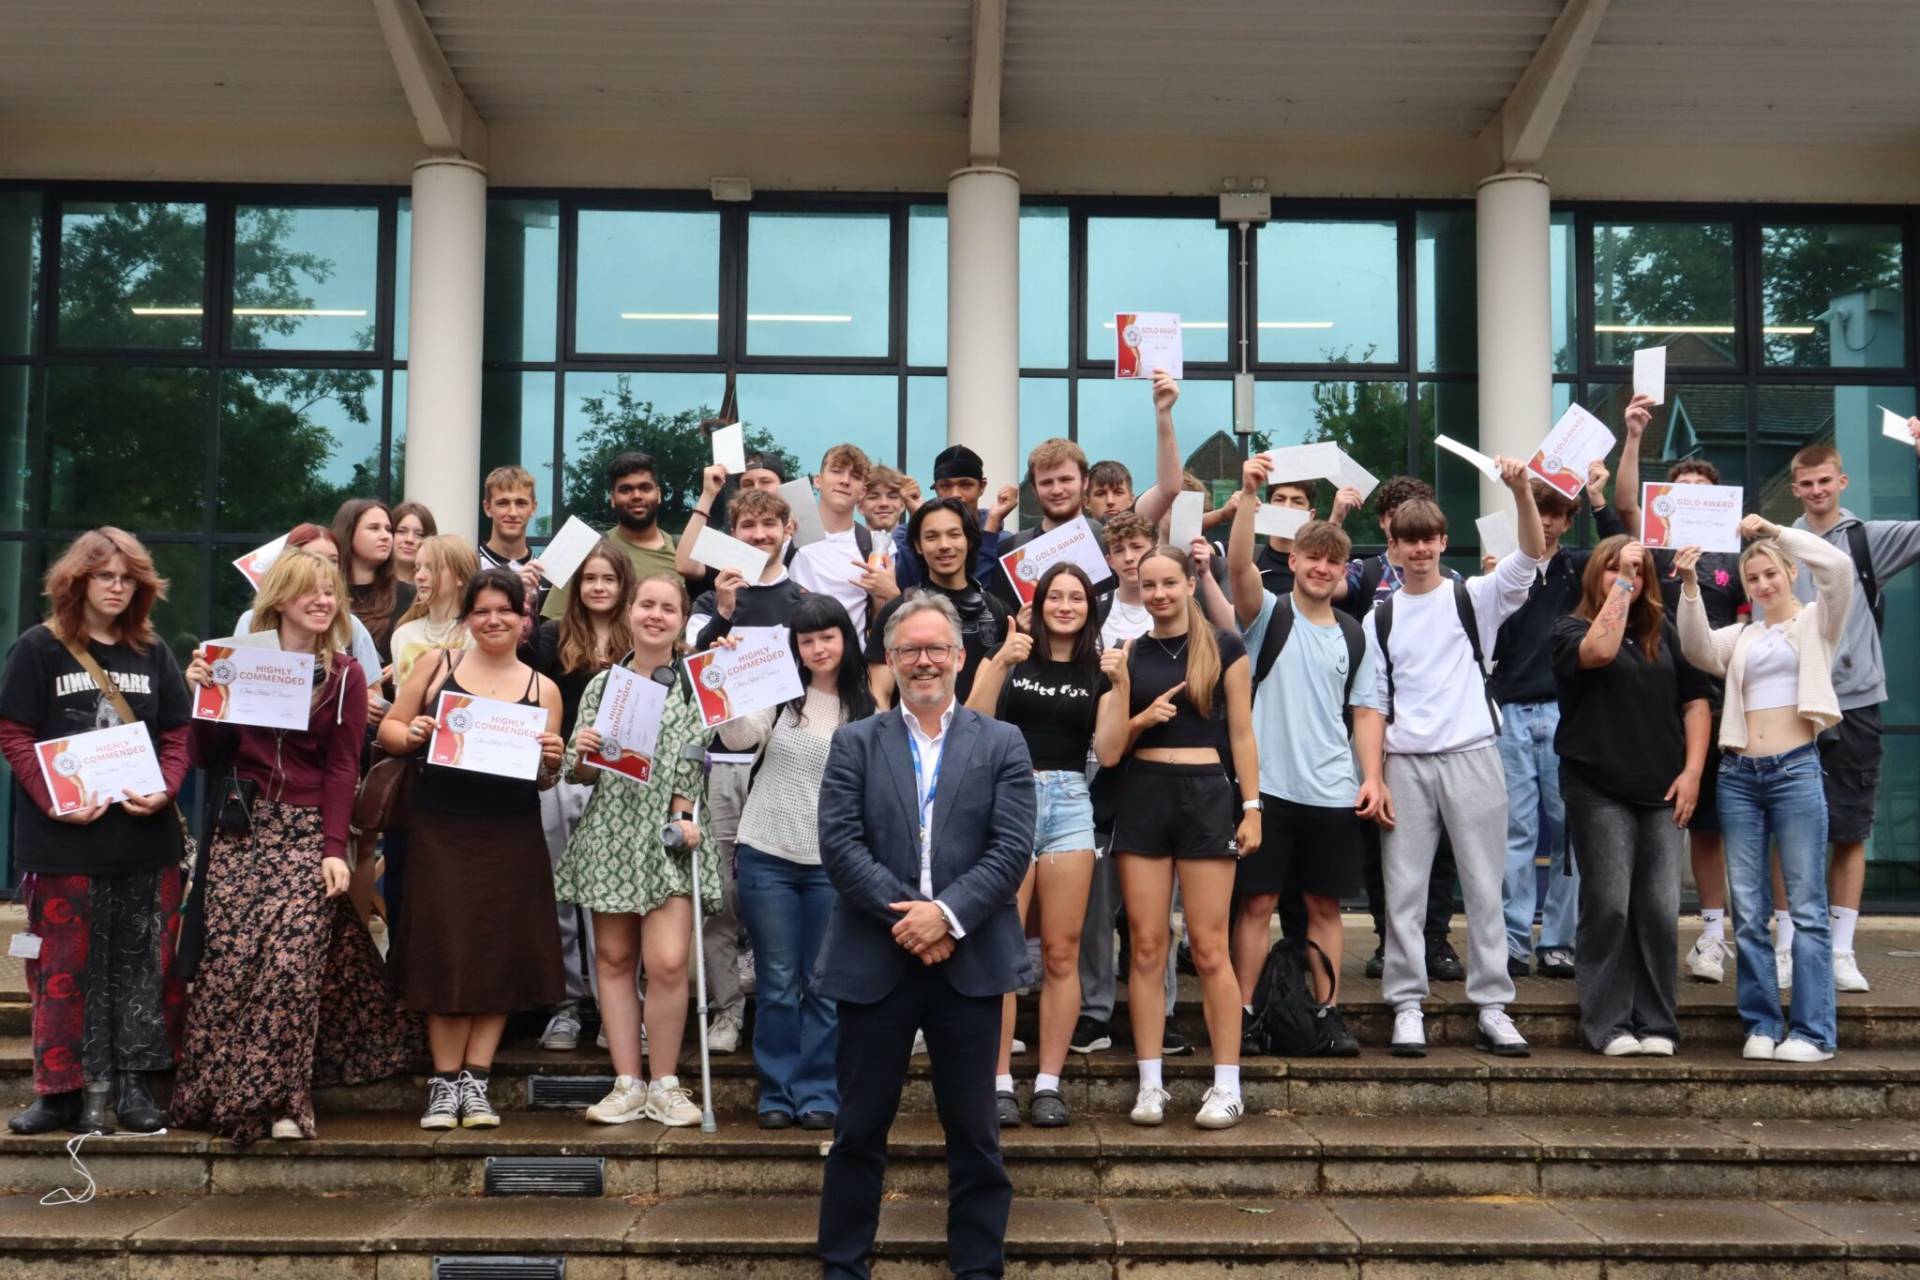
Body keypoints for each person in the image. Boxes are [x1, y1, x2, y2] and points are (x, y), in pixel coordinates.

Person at [814, 591, 1036, 1280]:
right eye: (909, 649)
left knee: (975, 1133)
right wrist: (911, 918)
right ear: (889, 658)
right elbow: (839, 844)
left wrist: (947, 915)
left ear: (961, 656)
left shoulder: (1002, 742)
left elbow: (1012, 847)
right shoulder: (856, 742)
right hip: (875, 960)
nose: (924, 661)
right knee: (858, 1131)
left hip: (969, 962)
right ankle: (843, 1266)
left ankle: (978, 1268)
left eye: (937, 647)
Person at [174, 549, 417, 1143]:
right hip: (242, 831)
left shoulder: (345, 674)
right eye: (311, 590)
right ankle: (217, 1094)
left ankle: (283, 1102)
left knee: (291, 970)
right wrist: (201, 698)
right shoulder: (235, 661)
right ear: (280, 598)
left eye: (331, 592)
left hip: (307, 832)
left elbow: (342, 767)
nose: (323, 601)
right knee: (231, 969)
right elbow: (205, 755)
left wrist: (334, 847)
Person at [0, 529, 191, 1135]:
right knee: (60, 969)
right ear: (76, 580)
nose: (117, 587)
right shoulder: (39, 647)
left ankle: (135, 1088)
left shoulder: (152, 651)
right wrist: (54, 800)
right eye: (105, 576)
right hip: (62, 843)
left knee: (144, 968)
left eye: (128, 578)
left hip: (144, 841)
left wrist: (167, 787)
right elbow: (14, 733)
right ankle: (58, 1092)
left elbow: (178, 733)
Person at [1358, 458, 1545, 1059]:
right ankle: (1406, 1004)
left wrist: (1521, 491)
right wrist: (1373, 776)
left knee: (1485, 887)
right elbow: (1374, 703)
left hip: (1473, 755)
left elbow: (1531, 554)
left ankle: (1492, 1004)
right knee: (1404, 891)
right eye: (1407, 540)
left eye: (1428, 539)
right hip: (1406, 764)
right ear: (1392, 546)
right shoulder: (1379, 616)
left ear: (1443, 540)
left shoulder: (1475, 596)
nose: (1419, 550)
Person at [379, 568, 566, 1129]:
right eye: (481, 610)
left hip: (510, 834)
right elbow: (389, 729)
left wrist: (552, 760)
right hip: (441, 830)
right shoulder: (437, 666)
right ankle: (443, 1082)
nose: (493, 620)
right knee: (445, 948)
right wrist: (412, 733)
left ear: (524, 619)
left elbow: (544, 779)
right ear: (466, 617)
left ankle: (476, 1080)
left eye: (505, 610)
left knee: (497, 950)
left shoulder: (544, 688)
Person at [1094, 544, 1260, 1129]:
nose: (1159, 593)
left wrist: (1252, 806)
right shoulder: (1127, 652)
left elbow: (1242, 733)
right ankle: (1150, 1083)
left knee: (1210, 947)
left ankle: (1227, 1085)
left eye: (1170, 582)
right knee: (1145, 946)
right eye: (1149, 584)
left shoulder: (1224, 646)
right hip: (1143, 796)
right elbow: (1109, 750)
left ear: (1191, 584)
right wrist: (1133, 708)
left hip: (1207, 797)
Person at [1678, 515, 1853, 1063]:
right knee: (1749, 911)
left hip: (1795, 770)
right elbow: (1698, 649)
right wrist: (1689, 586)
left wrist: (1776, 532)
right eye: (1752, 578)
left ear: (1791, 572)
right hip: (1740, 776)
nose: (1762, 584)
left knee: (1806, 909)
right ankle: (1760, 1023)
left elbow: (1839, 569)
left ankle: (1813, 1033)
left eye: (1771, 574)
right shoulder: (1745, 635)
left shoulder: (1817, 621)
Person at [1225, 456, 1378, 1055]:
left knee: (1323, 906)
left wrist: (1372, 777)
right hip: (1267, 790)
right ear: (1293, 561)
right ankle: (1243, 1014)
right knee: (1257, 903)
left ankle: (1327, 1013)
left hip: (1332, 792)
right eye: (1312, 557)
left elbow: (1365, 712)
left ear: (1341, 571)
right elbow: (1239, 565)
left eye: (1332, 561)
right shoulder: (1269, 614)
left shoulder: (1354, 634)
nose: (1321, 567)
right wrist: (1247, 495)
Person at [557, 571, 716, 1127]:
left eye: (667, 608)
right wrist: (582, 751)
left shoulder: (695, 684)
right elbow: (578, 774)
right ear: (630, 611)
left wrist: (683, 814)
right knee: (614, 959)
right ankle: (627, 1082)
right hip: (612, 832)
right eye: (646, 604)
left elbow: (698, 756)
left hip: (669, 833)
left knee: (668, 962)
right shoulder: (604, 686)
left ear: (682, 620)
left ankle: (665, 1083)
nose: (655, 615)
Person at [714, 594, 877, 1130]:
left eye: (827, 636)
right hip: (767, 853)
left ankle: (818, 1091)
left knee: (822, 984)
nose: (818, 648)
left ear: (846, 639)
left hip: (832, 862)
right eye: (807, 640)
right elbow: (739, 737)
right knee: (778, 982)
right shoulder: (781, 695)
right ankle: (776, 1092)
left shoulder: (868, 707)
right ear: (796, 648)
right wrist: (730, 681)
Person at [1553, 536, 1711, 1056]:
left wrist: (1692, 773)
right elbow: (1599, 651)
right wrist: (1624, 575)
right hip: (1598, 788)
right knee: (1610, 908)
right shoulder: (1570, 629)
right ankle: (1609, 1024)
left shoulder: (1664, 631)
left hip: (1662, 790)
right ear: (1596, 575)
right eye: (1616, 570)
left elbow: (1695, 702)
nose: (1629, 578)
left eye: (1639, 572)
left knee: (1659, 910)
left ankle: (1657, 1023)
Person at [1613, 394, 1746, 986]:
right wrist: (1633, 435)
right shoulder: (1653, 548)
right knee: (1670, 822)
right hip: (1655, 702)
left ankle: (1725, 936)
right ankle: (1662, 933)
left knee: (1723, 823)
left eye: (1701, 491)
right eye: (1681, 490)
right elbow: (1624, 502)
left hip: (1719, 703)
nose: (1691, 497)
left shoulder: (1735, 559)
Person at [1781, 427, 1920, 993]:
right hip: (1788, 703)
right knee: (1785, 826)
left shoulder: (1867, 539)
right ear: (1794, 489)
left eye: (1824, 481)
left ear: (1842, 481)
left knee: (1850, 828)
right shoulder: (1780, 544)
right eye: (1807, 483)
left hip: (1855, 701)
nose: (1817, 490)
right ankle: (1787, 945)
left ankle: (1840, 951)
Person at [966, 563, 1105, 1128]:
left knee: (1061, 951)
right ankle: (999, 1081)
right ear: (1038, 604)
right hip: (1011, 799)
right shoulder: (1011, 657)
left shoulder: (1100, 669)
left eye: (1076, 597)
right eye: (1055, 597)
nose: (1065, 606)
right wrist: (1001, 658)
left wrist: (1122, 688)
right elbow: (971, 721)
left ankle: (1049, 1083)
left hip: (1070, 803)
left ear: (1089, 609)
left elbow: (1110, 749)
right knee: (1002, 948)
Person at [1492, 465, 1625, 981]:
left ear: (1568, 522)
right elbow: (1493, 645)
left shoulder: (1579, 568)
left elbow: (1623, 551)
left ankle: (1558, 941)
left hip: (1566, 709)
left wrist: (1598, 498)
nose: (1545, 522)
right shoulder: (1507, 572)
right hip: (1511, 710)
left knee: (1569, 831)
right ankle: (1512, 940)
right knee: (1516, 831)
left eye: (1555, 514)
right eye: (1539, 512)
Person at [687, 483, 806, 1056]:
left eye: (768, 525)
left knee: (780, 893)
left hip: (786, 766)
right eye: (747, 527)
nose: (758, 536)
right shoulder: (710, 601)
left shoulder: (805, 601)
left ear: (788, 530)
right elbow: (693, 672)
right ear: (732, 535)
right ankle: (726, 1011)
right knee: (720, 899)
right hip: (722, 762)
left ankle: (786, 1010)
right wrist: (723, 617)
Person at [1336, 474, 1465, 983]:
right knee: (1380, 840)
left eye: (1420, 519)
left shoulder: (1454, 582)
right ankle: (1388, 939)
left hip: (1440, 733)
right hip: (1378, 727)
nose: (1409, 531)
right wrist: (1336, 518)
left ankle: (1435, 938)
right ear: (1385, 524)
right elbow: (1318, 577)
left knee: (1442, 849)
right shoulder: (1363, 572)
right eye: (1396, 518)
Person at [523, 540, 635, 1053]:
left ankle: (621, 1009)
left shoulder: (640, 638)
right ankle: (566, 1005)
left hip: (624, 784)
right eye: (589, 578)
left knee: (617, 899)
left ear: (624, 584)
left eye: (608, 578)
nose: (598, 587)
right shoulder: (552, 636)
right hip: (562, 777)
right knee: (559, 895)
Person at [868, 498, 1009, 708]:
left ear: (969, 541)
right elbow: (880, 694)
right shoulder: (896, 611)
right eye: (932, 537)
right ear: (918, 545)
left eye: (954, 535)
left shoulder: (997, 611)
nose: (944, 545)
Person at [234, 523, 384, 702]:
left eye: (333, 560)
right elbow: (232, 693)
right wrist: (209, 681)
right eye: (314, 557)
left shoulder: (350, 628)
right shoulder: (251, 621)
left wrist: (357, 699)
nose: (324, 566)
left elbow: (375, 695)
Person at [542, 452, 681, 620]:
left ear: (658, 494)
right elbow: (554, 624)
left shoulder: (684, 554)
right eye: (626, 489)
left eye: (645, 488)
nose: (636, 496)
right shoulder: (583, 547)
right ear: (613, 498)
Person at [787, 444, 898, 639]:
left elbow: (883, 622)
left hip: (854, 658)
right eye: (836, 471)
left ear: (863, 491)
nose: (845, 481)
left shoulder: (876, 544)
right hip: (795, 656)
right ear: (818, 481)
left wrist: (891, 595)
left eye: (855, 476)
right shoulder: (788, 535)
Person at [892, 445, 1012, 592]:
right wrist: (918, 520)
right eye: (945, 486)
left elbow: (976, 595)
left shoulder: (1003, 542)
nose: (955, 494)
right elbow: (907, 587)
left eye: (965, 485)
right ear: (936, 488)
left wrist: (991, 527)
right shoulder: (903, 535)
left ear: (981, 486)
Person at [331, 498, 415, 664]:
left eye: (388, 529)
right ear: (349, 533)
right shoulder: (327, 595)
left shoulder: (409, 595)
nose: (385, 536)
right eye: (374, 528)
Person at [388, 534, 478, 688]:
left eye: (432, 568)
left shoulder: (476, 635)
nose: (419, 576)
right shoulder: (402, 634)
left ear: (460, 576)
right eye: (417, 568)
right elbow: (401, 696)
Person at [475, 465, 547, 608]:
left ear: (533, 508)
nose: (513, 513)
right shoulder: (470, 569)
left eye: (521, 503)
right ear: (487, 508)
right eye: (503, 503)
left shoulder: (547, 574)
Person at [390, 501, 437, 587]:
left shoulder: (437, 587)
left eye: (419, 534)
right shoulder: (371, 581)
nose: (409, 539)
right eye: (401, 531)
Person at [862, 465, 910, 534]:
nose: (884, 503)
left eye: (892, 497)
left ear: (902, 504)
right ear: (860, 506)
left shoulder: (919, 540)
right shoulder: (848, 540)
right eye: (873, 497)